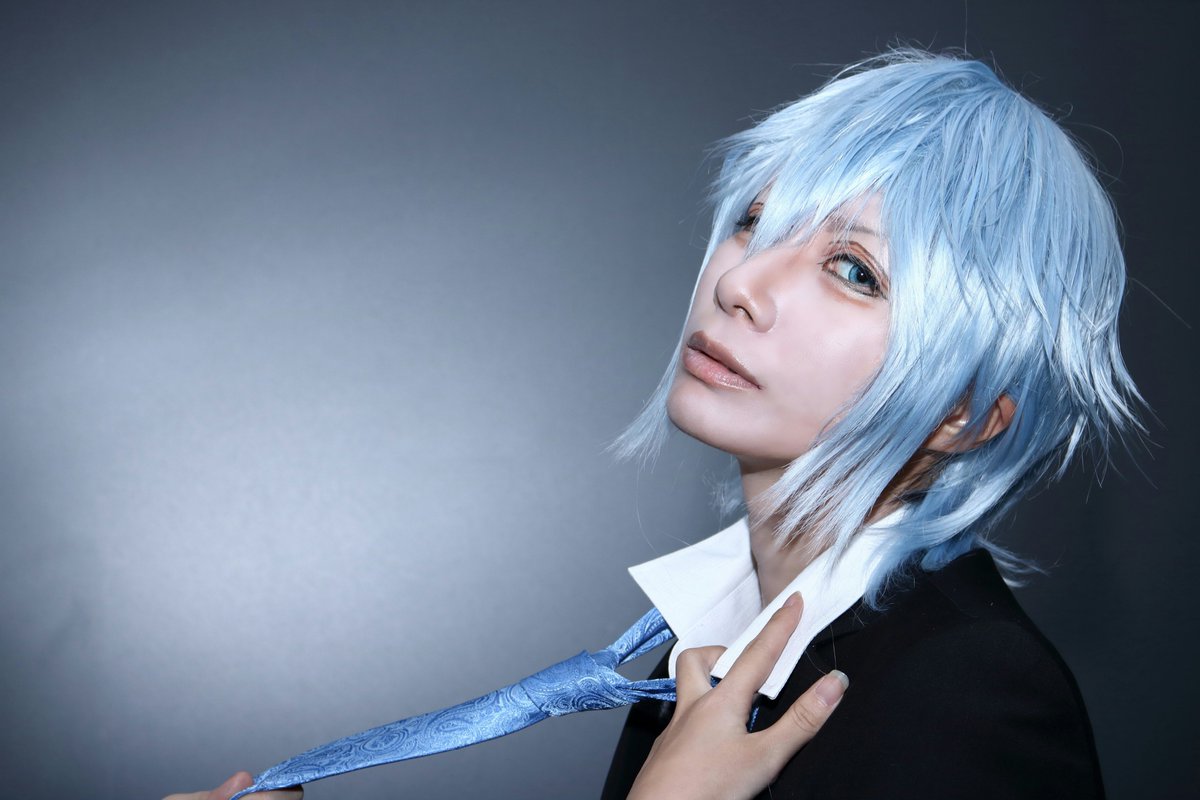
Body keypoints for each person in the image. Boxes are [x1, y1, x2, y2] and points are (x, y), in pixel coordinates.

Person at [168, 49, 1138, 799]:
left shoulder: (973, 693)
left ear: (965, 411)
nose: (741, 280)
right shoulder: (713, 641)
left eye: (854, 270)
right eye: (754, 220)